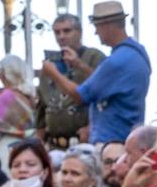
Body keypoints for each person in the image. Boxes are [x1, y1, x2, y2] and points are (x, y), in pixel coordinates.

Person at [40, 0, 151, 146]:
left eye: (97, 26)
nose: (96, 32)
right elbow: (108, 82)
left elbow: (81, 95)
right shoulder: (136, 54)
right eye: (57, 32)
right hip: (124, 136)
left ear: (107, 26)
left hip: (111, 141)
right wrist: (80, 65)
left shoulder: (115, 61)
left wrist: (53, 73)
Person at [36, 14, 105, 149]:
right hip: (54, 145)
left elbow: (105, 90)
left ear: (79, 32)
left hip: (84, 142)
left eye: (67, 31)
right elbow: (42, 105)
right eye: (57, 32)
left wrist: (93, 126)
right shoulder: (51, 64)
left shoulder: (94, 57)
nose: (61, 36)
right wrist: (39, 137)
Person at [0, 55, 36, 162]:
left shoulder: (7, 97)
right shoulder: (30, 96)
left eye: (0, 70)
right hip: (31, 149)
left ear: (4, 74)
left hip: (8, 151)